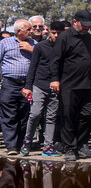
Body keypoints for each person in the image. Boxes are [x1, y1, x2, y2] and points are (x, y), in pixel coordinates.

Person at [51, 10, 91, 160]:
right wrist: (55, 79)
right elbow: (55, 60)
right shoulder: (64, 37)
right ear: (75, 22)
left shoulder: (88, 38)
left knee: (88, 114)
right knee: (68, 117)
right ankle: (69, 148)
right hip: (68, 84)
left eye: (89, 26)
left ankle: (79, 145)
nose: (87, 28)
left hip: (86, 84)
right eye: (84, 25)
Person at [22, 19, 62, 155]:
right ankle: (27, 142)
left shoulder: (64, 47)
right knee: (35, 114)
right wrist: (28, 86)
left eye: (59, 33)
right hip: (39, 84)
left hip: (55, 87)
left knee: (51, 117)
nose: (56, 36)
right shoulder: (41, 46)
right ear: (49, 31)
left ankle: (48, 147)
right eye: (54, 33)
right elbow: (32, 67)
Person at [0, 19, 33, 154]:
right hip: (9, 84)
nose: (31, 32)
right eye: (28, 29)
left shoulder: (33, 43)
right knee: (9, 116)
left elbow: (44, 58)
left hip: (27, 85)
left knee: (24, 116)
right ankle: (11, 146)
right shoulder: (4, 43)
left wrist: (32, 50)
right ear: (19, 31)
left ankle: (20, 144)